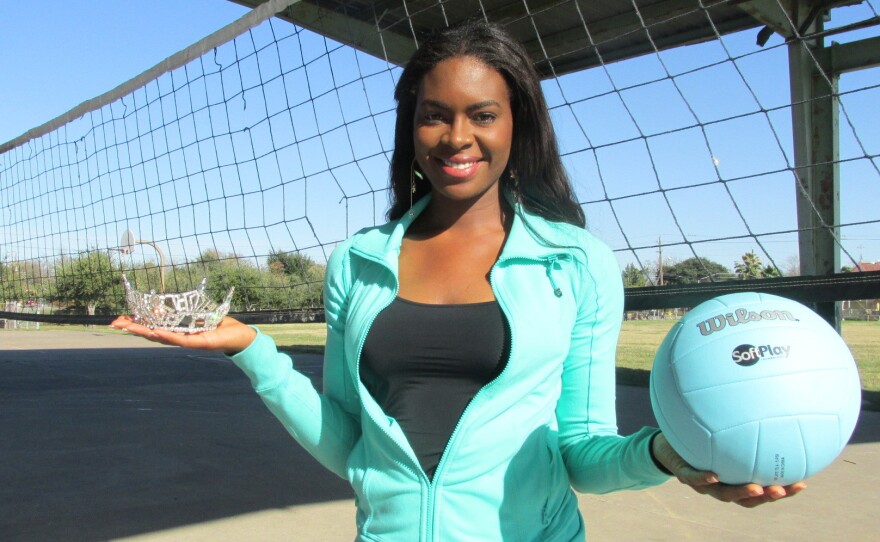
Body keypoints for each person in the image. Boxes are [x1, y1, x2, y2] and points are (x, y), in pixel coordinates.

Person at [112, 19, 805, 541]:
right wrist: (251, 351)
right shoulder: (358, 262)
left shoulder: (575, 263)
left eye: (482, 114)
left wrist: (667, 455)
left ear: (516, 125)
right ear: (411, 128)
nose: (456, 137)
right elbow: (351, 444)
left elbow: (584, 454)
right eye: (434, 114)